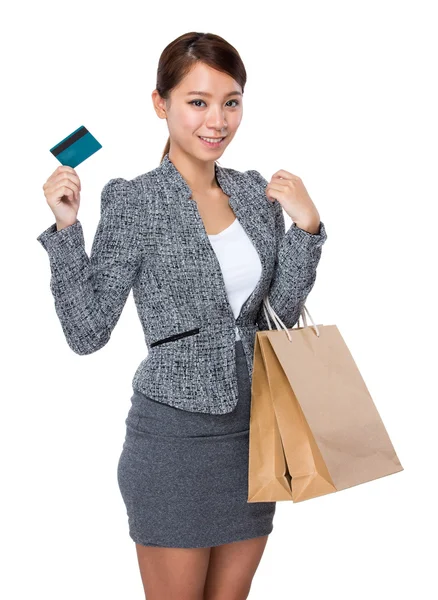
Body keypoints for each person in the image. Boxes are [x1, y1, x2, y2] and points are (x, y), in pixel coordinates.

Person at [37, 31, 327, 600]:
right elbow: (87, 331)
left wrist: (308, 231)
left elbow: (278, 317)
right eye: (197, 101)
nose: (216, 120)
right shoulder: (134, 201)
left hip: (254, 437)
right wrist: (68, 231)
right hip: (173, 442)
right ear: (160, 103)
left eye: (231, 101)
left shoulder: (253, 193)